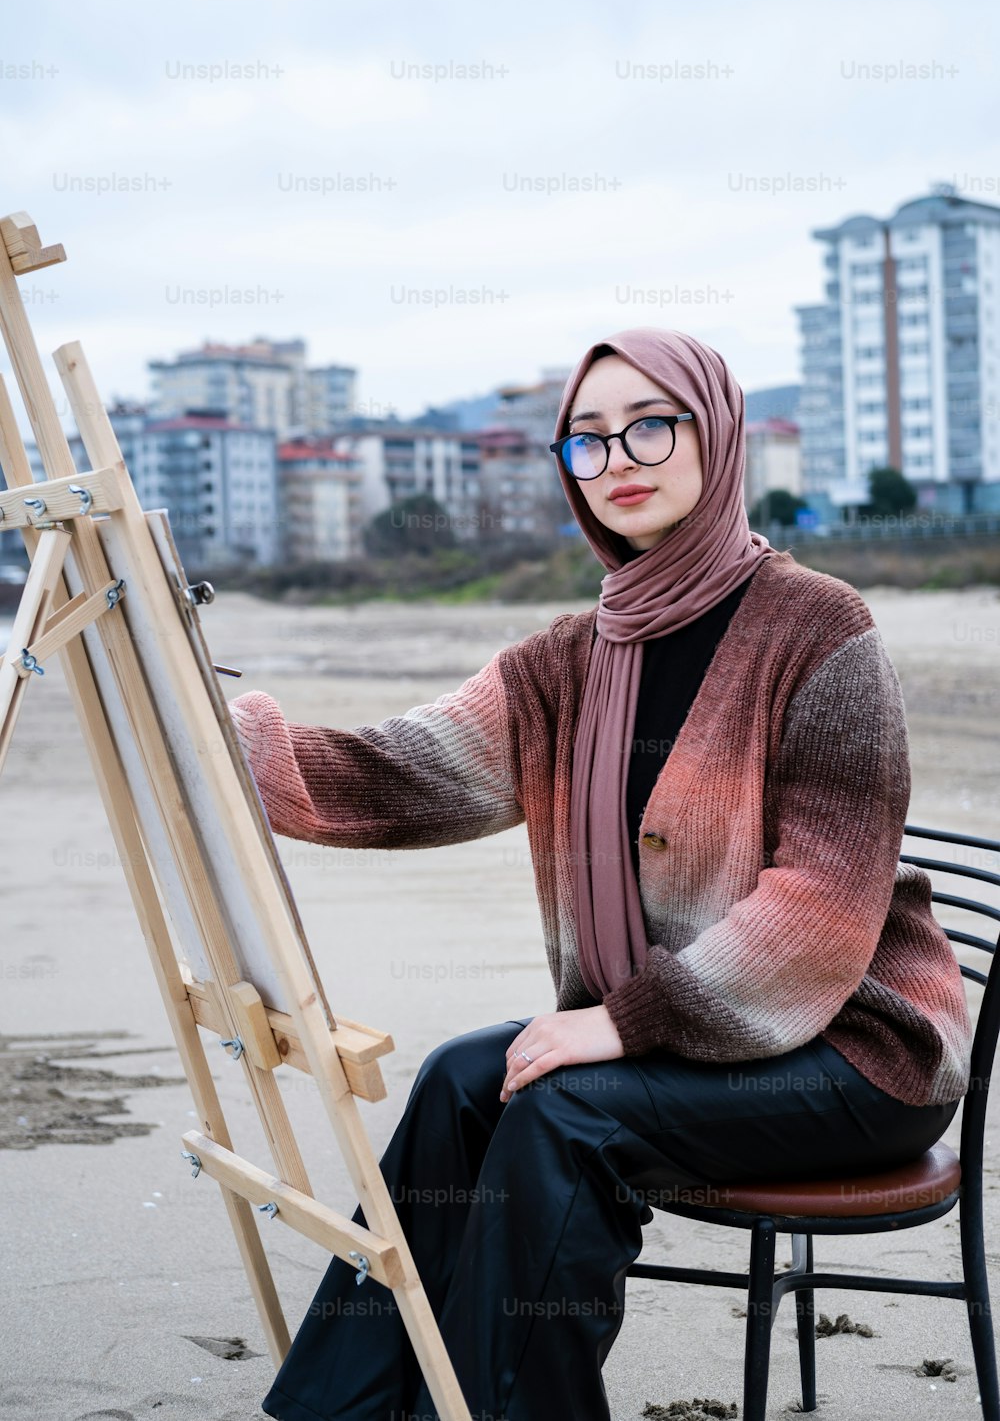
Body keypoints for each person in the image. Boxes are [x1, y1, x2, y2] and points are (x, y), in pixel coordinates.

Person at [229, 328, 973, 1421]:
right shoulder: (572, 658)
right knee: (455, 1083)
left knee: (565, 1112)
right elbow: (405, 774)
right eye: (584, 439)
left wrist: (624, 1021)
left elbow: (818, 904)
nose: (617, 456)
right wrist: (222, 741)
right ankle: (339, 1412)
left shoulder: (821, 629)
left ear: (713, 436)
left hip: (855, 1053)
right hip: (696, 1041)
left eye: (649, 424)